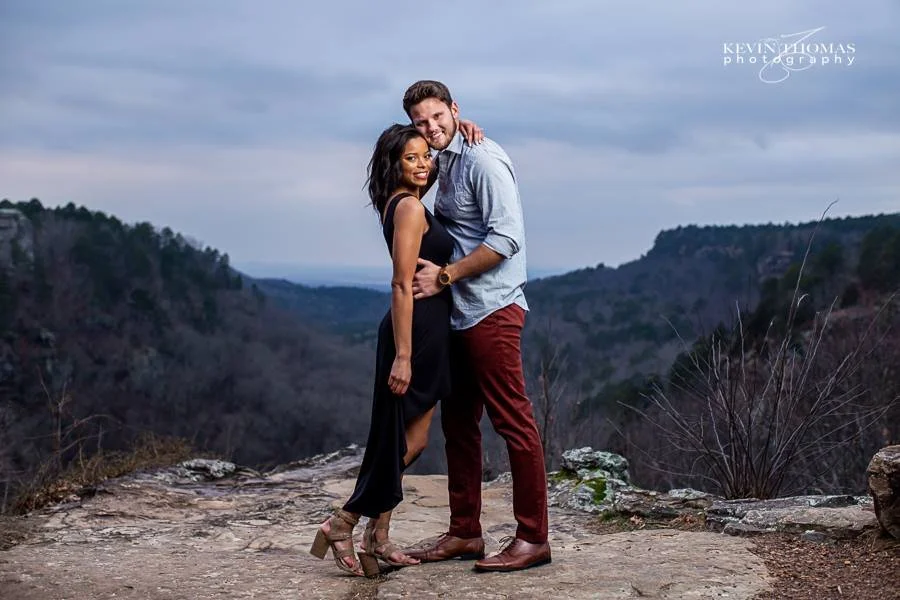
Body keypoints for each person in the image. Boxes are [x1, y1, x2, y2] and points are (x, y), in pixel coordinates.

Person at [309, 121, 482, 577]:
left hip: (428, 328)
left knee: (405, 439)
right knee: (406, 441)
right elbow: (401, 284)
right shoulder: (406, 208)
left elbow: (445, 151)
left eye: (427, 155)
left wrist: (462, 128)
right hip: (417, 331)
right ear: (394, 164)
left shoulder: (406, 202)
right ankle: (342, 521)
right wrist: (404, 356)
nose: (424, 163)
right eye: (412, 157)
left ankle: (378, 538)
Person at [402, 80, 551, 572]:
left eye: (439, 117)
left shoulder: (485, 161)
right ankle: (465, 533)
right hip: (458, 314)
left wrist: (445, 275)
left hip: (492, 308)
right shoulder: (442, 157)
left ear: (455, 109)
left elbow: (507, 238)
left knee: (513, 421)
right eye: (421, 122)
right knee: (459, 424)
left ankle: (533, 539)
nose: (431, 128)